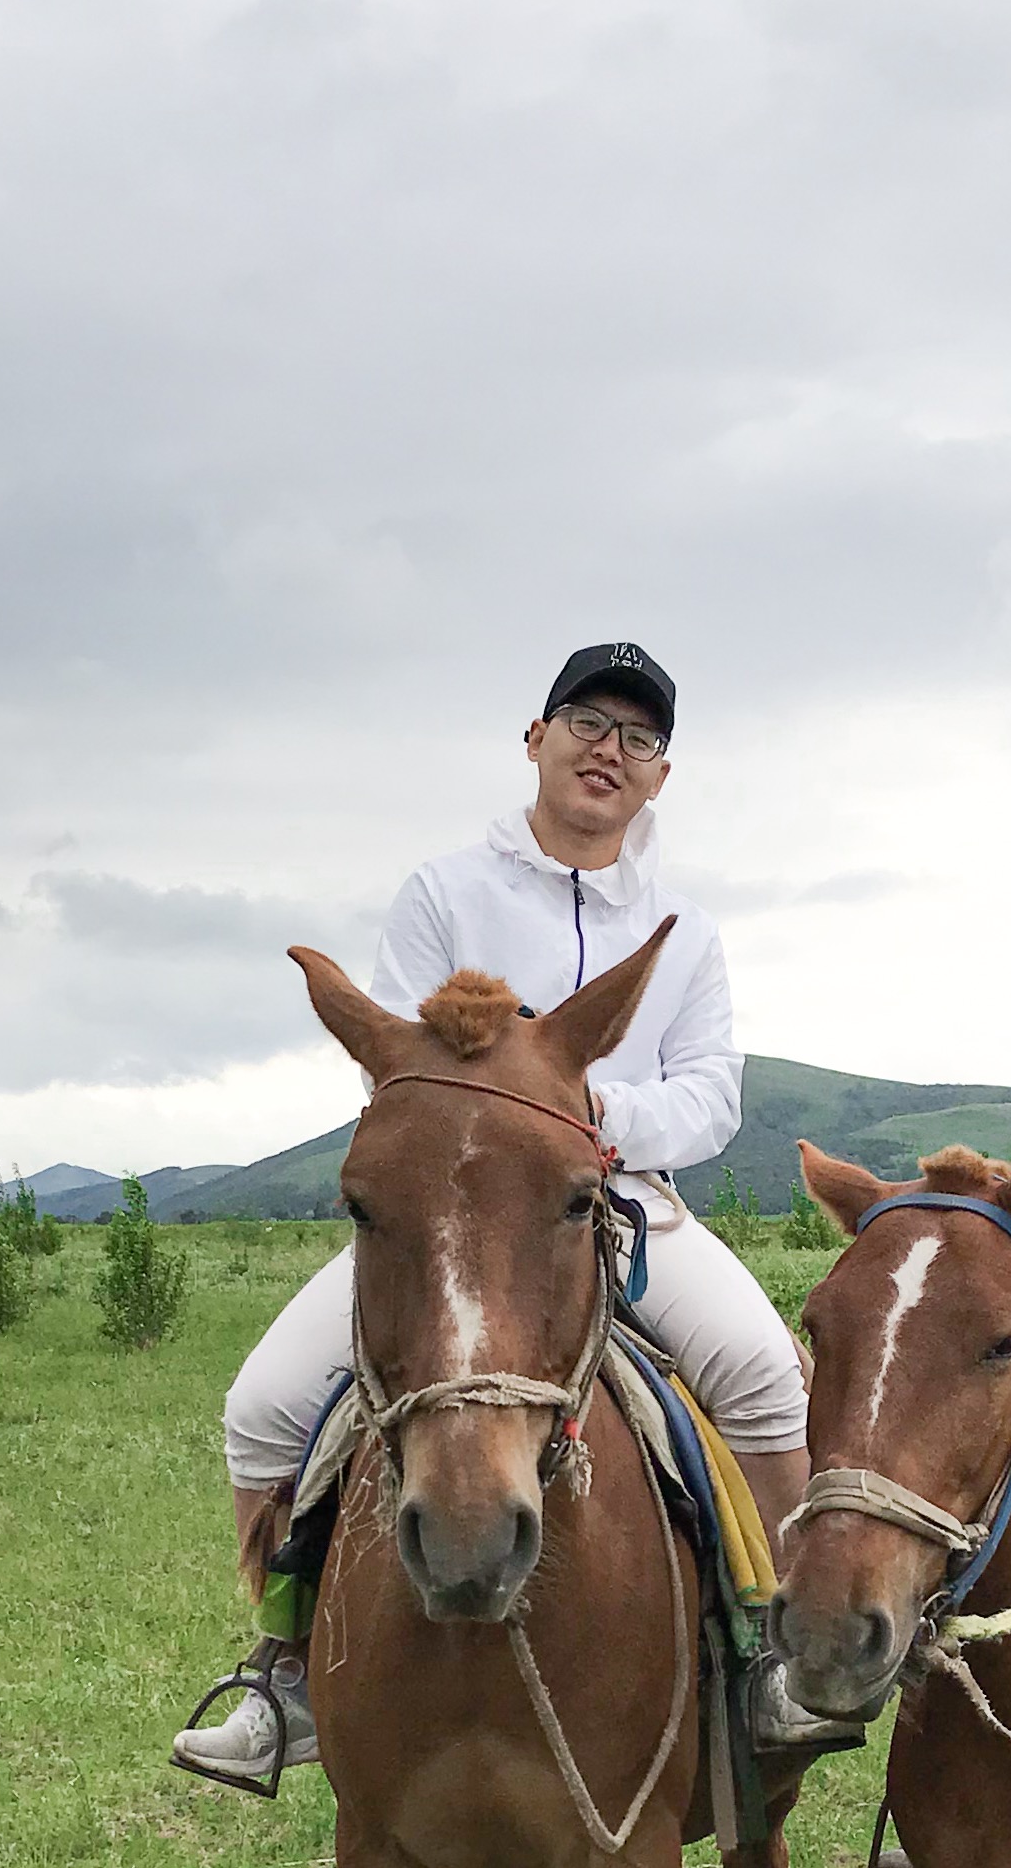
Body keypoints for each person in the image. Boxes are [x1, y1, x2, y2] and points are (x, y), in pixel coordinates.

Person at [174, 639, 832, 1786]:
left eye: (638, 739)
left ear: (659, 779)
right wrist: (503, 1130)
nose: (608, 750)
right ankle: (285, 1668)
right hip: (454, 1208)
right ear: (535, 739)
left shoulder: (687, 929)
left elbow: (711, 1097)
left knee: (765, 1373)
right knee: (265, 1404)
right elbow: (398, 1065)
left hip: (622, 1196)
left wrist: (577, 1119)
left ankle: (778, 1646)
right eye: (586, 721)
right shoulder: (445, 892)